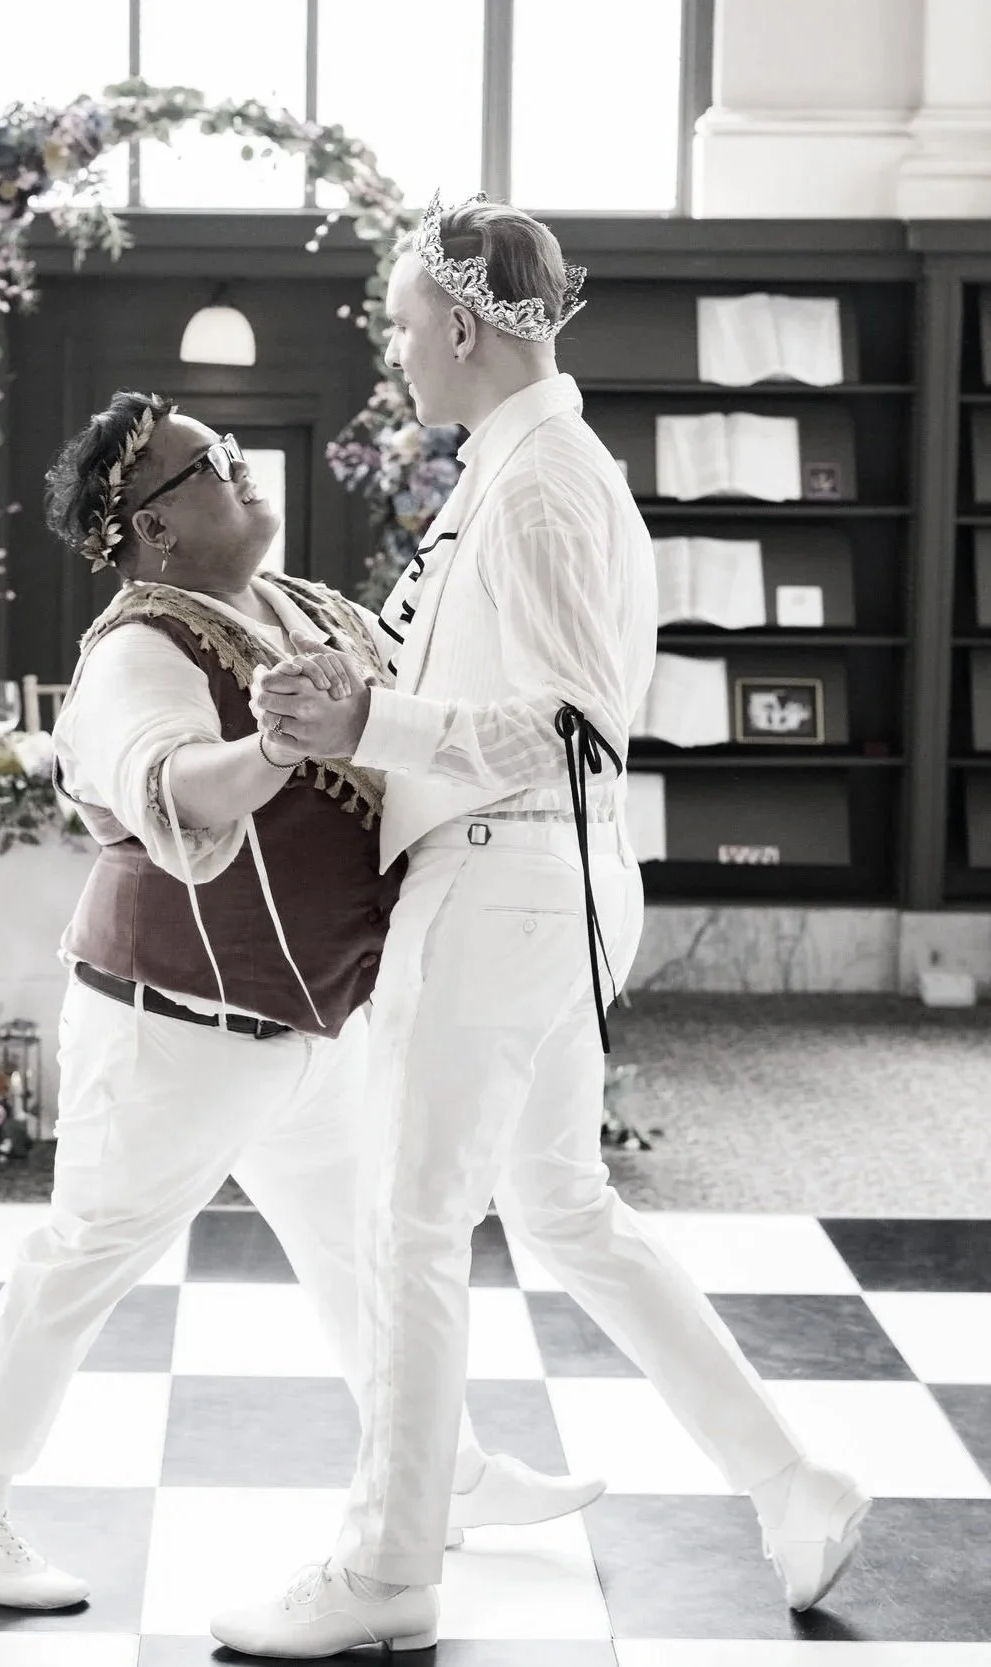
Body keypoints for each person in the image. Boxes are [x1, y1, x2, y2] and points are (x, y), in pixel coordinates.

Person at [214, 194, 871, 1657]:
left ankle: (386, 1566)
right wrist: (353, 685)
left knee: (408, 1221)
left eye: (401, 326)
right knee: (565, 1212)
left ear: (460, 325)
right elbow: (492, 681)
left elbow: (575, 725)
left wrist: (371, 720)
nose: (395, 352)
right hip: (524, 882)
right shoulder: (516, 471)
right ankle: (794, 1481)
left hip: (503, 880)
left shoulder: (540, 485)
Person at [0, 390, 604, 1610]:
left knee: (364, 1256)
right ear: (154, 527)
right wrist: (272, 749)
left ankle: (438, 1475)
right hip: (169, 1031)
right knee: (81, 1262)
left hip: (307, 1025)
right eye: (208, 464)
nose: (237, 468)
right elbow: (178, 786)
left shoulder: (299, 606)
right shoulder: (136, 649)